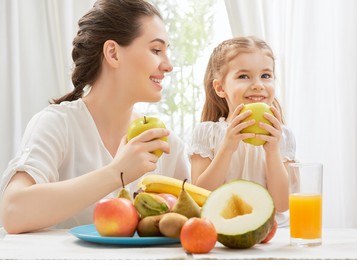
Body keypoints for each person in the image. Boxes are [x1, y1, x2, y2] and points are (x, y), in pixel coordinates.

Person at [0, 0, 190, 234]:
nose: (168, 65)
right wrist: (115, 173)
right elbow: (13, 212)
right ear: (113, 53)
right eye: (156, 50)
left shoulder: (165, 143)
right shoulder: (58, 124)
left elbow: (197, 221)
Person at [189, 36, 295, 226]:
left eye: (266, 76)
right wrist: (227, 147)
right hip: (222, 231)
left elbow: (282, 204)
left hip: (272, 234)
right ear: (220, 87)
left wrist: (272, 151)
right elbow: (201, 197)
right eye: (244, 76)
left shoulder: (283, 137)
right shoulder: (206, 134)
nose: (258, 85)